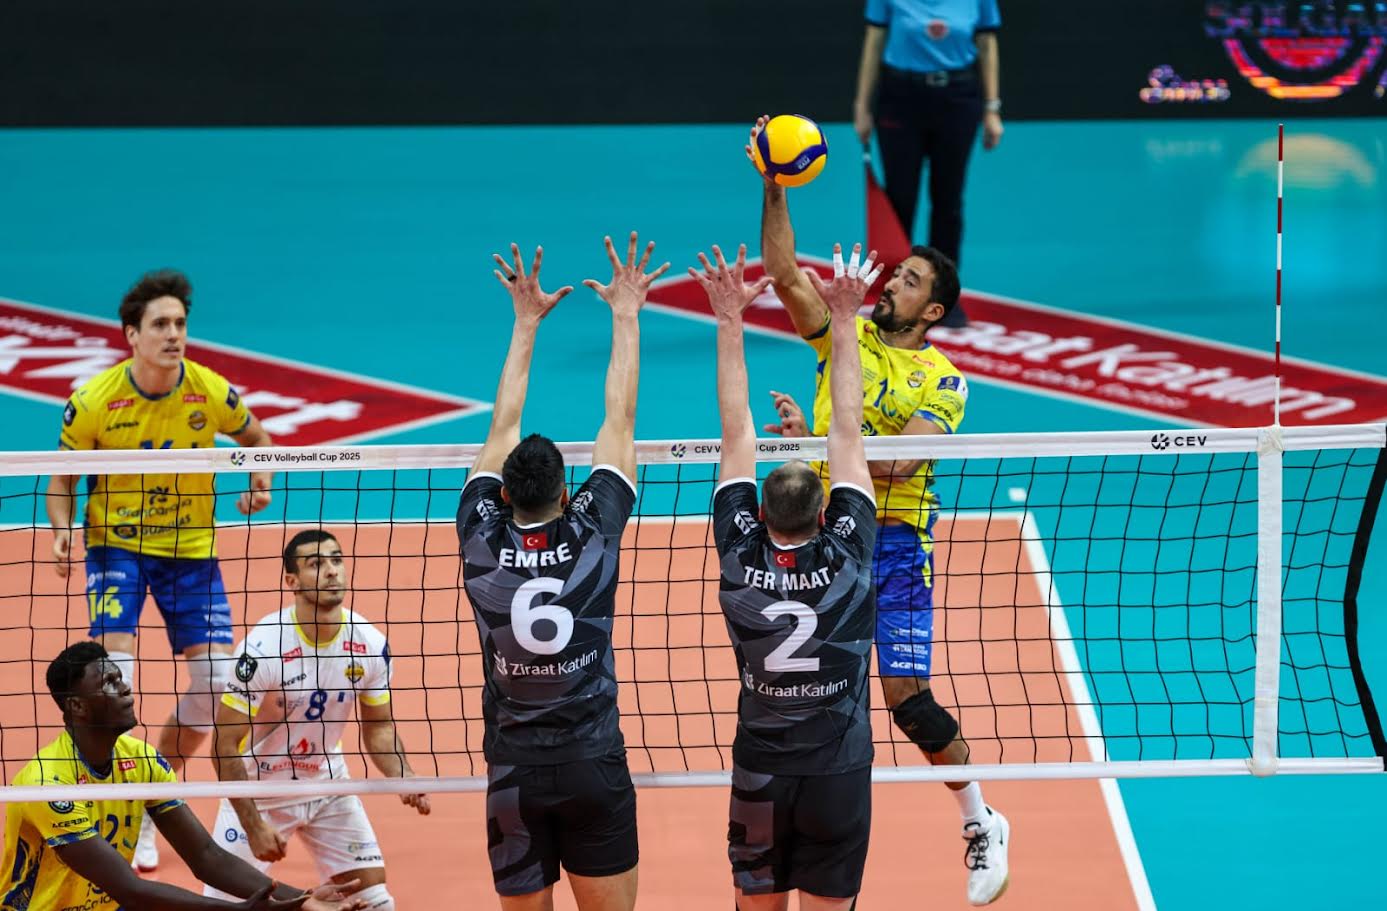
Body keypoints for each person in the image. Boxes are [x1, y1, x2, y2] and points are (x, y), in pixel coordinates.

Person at [752, 141, 1011, 906]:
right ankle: (800, 826)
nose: (891, 283)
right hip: (820, 541)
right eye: (894, 274)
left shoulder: (943, 380)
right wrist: (773, 183)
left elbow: (897, 464)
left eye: (909, 281)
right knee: (805, 693)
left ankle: (980, 818)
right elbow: (781, 272)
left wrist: (820, 438)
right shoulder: (844, 333)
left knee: (906, 698)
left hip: (893, 543)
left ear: (932, 311)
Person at [456, 234, 667, 911]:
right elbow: (619, 419)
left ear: (502, 494)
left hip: (513, 773)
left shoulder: (479, 538)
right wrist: (626, 313)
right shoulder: (593, 529)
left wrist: (525, 323)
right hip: (591, 764)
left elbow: (501, 427)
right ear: (568, 490)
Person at [45, 268, 275, 872]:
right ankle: (118, 807)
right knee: (113, 675)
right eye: (161, 325)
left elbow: (258, 439)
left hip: (189, 550)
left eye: (180, 323)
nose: (174, 334)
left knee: (217, 681)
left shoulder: (209, 391)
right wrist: (62, 530)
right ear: (132, 334)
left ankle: (150, 799)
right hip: (115, 547)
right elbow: (60, 482)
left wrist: (260, 480)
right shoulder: (94, 402)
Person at [696, 243, 881, 911]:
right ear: (827, 514)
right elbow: (847, 431)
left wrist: (728, 319)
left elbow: (736, 431)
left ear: (758, 513)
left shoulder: (737, 553)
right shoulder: (849, 554)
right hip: (838, 771)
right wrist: (844, 320)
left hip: (761, 770)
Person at [0, 641, 366, 911]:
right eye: (109, 682)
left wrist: (299, 900)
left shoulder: (143, 761)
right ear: (77, 706)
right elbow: (130, 889)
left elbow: (206, 856)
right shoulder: (48, 784)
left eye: (120, 677)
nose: (125, 687)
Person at [208, 529, 430, 910]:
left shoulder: (369, 644)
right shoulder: (263, 648)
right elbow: (224, 744)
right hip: (261, 790)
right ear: (291, 581)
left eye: (336, 560)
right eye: (316, 564)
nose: (331, 571)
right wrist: (252, 824)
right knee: (224, 907)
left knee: (375, 902)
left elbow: (379, 727)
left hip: (327, 784)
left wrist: (403, 773)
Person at [852, 0, 1004, 326]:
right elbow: (874, 42)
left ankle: (942, 297)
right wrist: (862, 106)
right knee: (900, 199)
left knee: (948, 201)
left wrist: (992, 109)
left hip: (958, 98)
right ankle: (892, 296)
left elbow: (987, 45)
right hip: (899, 98)